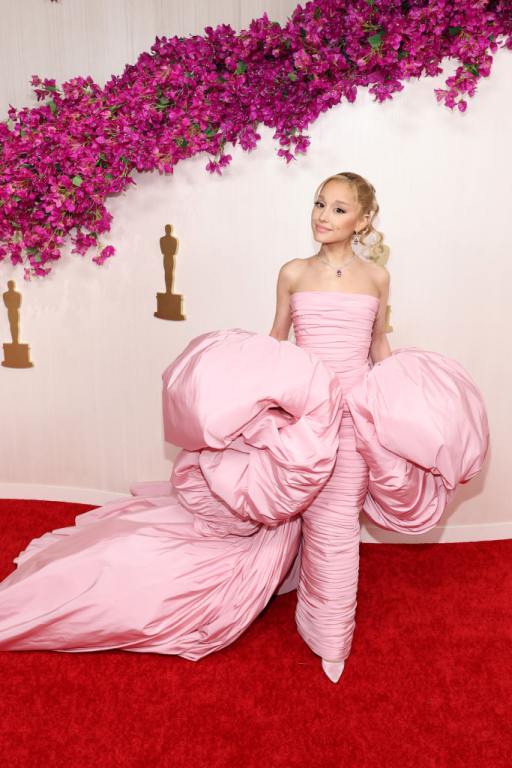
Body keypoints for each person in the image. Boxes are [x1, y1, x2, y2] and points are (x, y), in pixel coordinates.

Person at [0, 172, 489, 685]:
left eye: (339, 209)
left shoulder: (377, 278)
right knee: (289, 512)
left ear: (364, 220)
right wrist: (246, 399)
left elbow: (379, 349)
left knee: (337, 527)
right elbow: (277, 340)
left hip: (352, 420)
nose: (323, 215)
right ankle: (289, 590)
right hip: (303, 419)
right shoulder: (294, 272)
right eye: (319, 203)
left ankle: (330, 638)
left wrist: (402, 405)